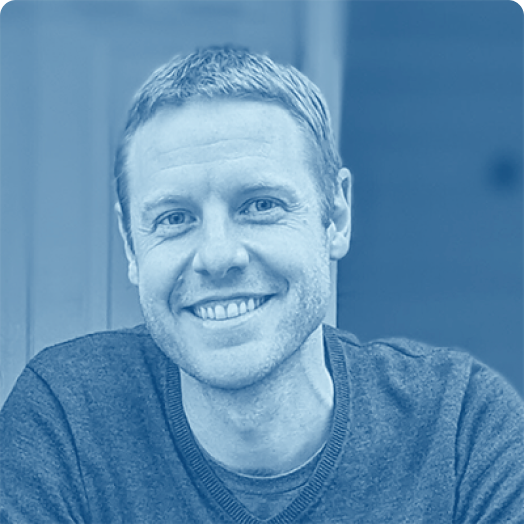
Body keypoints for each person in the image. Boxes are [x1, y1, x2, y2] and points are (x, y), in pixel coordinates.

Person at [1, 45, 523, 524]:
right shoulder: (66, 417)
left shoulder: (459, 428)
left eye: (260, 205)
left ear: (336, 217)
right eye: (174, 218)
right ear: (131, 245)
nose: (217, 256)